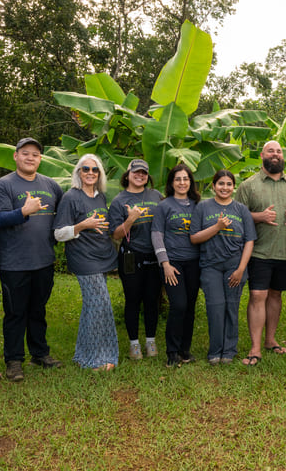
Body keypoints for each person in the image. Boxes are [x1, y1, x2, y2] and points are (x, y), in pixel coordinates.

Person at [0, 138, 63, 382]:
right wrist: (23, 212)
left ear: (40, 159)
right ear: (16, 157)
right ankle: (13, 360)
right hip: (14, 262)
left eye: (35, 154)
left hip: (44, 259)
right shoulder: (4, 185)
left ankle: (39, 353)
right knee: (15, 312)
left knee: (38, 309)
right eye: (25, 153)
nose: (30, 158)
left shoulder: (52, 185)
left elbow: (64, 215)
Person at [236, 140, 286, 362]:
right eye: (271, 151)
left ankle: (271, 340)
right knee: (258, 295)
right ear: (262, 155)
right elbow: (234, 214)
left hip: (285, 251)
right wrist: (258, 217)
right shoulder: (248, 185)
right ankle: (255, 347)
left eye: (279, 151)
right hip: (258, 251)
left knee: (275, 295)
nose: (275, 154)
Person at [53, 155, 119, 370]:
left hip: (102, 257)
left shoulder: (100, 197)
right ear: (78, 172)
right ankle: (95, 360)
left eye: (95, 169)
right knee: (100, 305)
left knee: (93, 307)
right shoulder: (71, 197)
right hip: (84, 259)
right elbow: (59, 234)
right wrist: (82, 225)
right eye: (85, 169)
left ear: (99, 174)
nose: (90, 173)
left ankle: (83, 355)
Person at [190, 170, 256, 365]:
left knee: (231, 307)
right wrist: (217, 227)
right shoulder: (203, 208)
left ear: (233, 187)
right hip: (211, 266)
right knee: (215, 308)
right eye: (221, 184)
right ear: (213, 186)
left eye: (229, 184)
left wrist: (241, 268)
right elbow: (194, 238)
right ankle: (215, 350)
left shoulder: (241, 210)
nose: (225, 188)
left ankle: (229, 350)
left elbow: (249, 241)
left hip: (235, 266)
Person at [107, 159, 163, 361]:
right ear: (128, 174)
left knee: (152, 300)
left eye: (144, 173)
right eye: (136, 172)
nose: (140, 176)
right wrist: (130, 219)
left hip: (154, 255)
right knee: (133, 300)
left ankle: (150, 340)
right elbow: (115, 234)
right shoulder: (119, 201)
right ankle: (134, 344)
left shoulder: (156, 196)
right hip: (131, 255)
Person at [152, 164, 202, 368]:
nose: (182, 183)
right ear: (172, 183)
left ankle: (184, 350)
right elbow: (156, 235)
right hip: (173, 263)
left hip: (195, 263)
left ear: (191, 182)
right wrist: (165, 264)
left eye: (186, 179)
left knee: (190, 307)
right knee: (178, 305)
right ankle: (171, 351)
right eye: (178, 179)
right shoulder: (164, 206)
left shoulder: (199, 205)